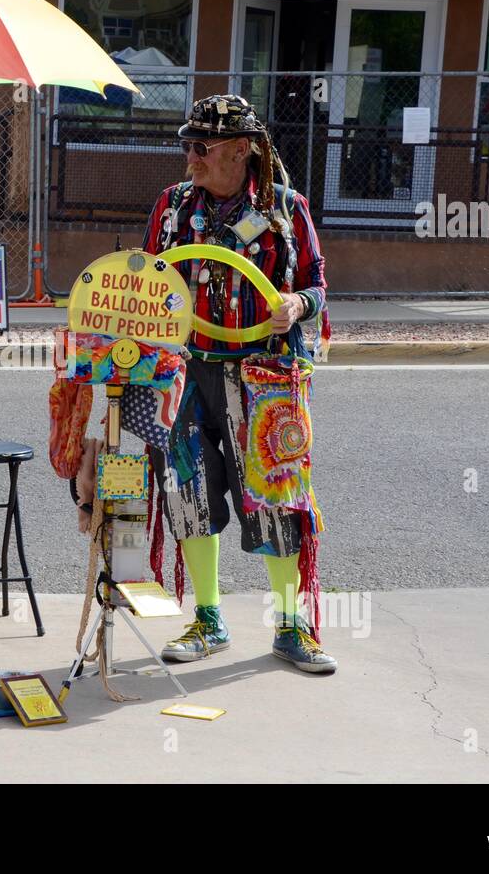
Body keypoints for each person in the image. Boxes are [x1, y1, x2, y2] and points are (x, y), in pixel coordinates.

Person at [140, 93, 336, 674]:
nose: (190, 158)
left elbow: (318, 285)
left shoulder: (286, 208)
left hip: (266, 374)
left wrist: (296, 304)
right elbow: (149, 281)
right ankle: (207, 617)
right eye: (188, 145)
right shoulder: (173, 207)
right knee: (188, 487)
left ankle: (290, 624)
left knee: (275, 494)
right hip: (186, 369)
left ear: (242, 151)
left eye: (202, 147)